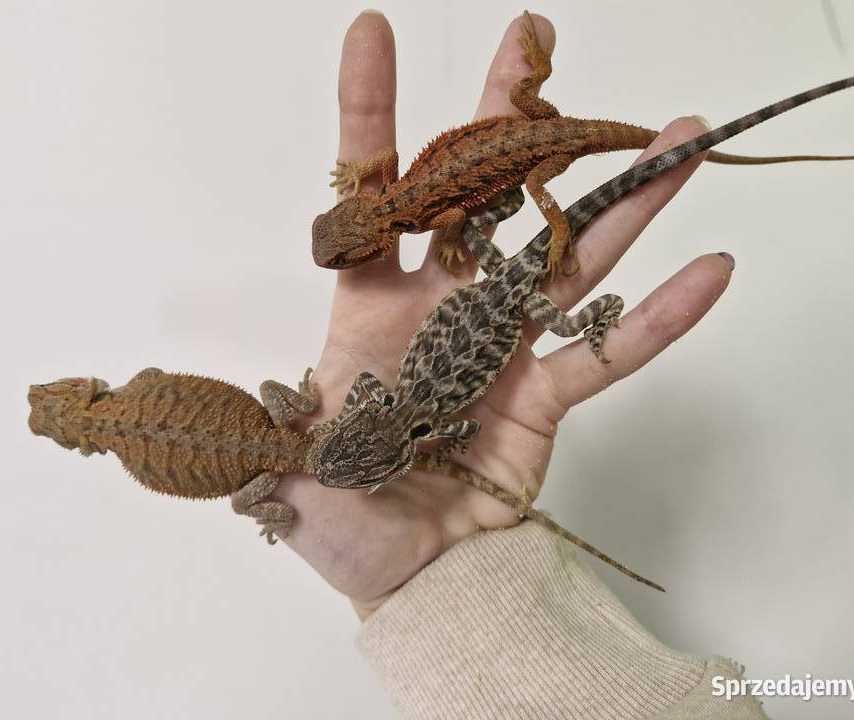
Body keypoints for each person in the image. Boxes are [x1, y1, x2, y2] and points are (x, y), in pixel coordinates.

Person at [268, 10, 765, 719]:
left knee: (569, 309)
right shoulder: (395, 399)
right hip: (503, 283)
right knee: (564, 287)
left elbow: (459, 436)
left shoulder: (438, 426)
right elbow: (380, 396)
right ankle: (592, 314)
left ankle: (594, 316)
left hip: (514, 293)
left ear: (393, 463)